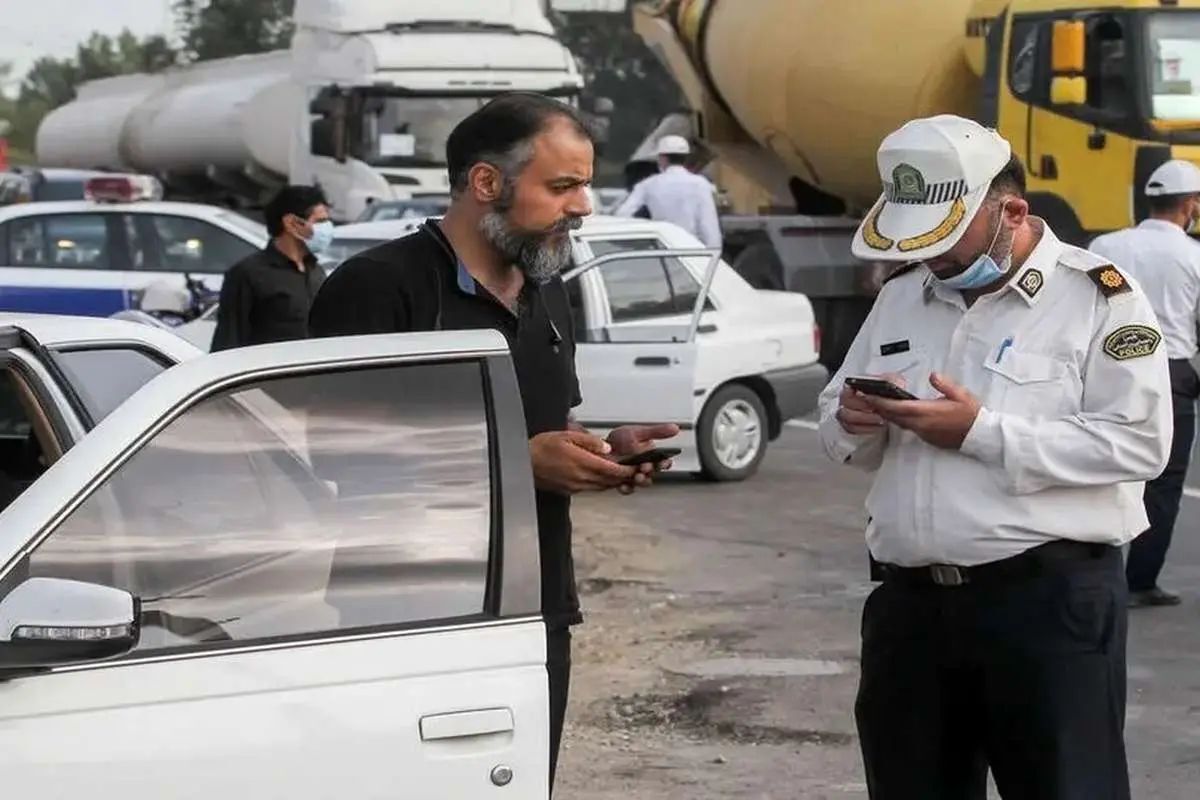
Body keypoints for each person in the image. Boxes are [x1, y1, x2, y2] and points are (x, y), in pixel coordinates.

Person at [307, 92, 679, 792]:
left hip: (534, 610)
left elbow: (546, 429)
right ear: (487, 183)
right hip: (406, 617)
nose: (584, 206)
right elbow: (337, 456)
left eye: (584, 185)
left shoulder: (547, 289)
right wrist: (518, 463)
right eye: (562, 185)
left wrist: (599, 450)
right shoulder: (377, 290)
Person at [819, 114, 1171, 799]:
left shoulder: (1098, 296)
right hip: (910, 612)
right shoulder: (901, 296)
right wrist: (854, 418)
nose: (934, 260)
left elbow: (1140, 442)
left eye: (948, 242)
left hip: (1046, 607)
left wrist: (979, 431)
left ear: (1012, 210)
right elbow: (837, 428)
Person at [1089, 159, 1200, 608]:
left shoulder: (1105, 245)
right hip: (1170, 374)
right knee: (1163, 482)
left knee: (1098, 469)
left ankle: (1094, 569)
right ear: (1191, 205)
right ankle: (1140, 580)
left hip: (1106, 368)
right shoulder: (1193, 255)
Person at [211, 185, 332, 351]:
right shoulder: (249, 274)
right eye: (320, 221)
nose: (327, 229)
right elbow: (229, 341)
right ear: (291, 223)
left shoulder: (316, 272)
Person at [614, 134, 722, 248]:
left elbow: (622, 214)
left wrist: (645, 235)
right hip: (692, 250)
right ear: (686, 158)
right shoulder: (701, 184)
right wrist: (713, 254)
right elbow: (709, 227)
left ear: (663, 158)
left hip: (662, 250)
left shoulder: (648, 184)